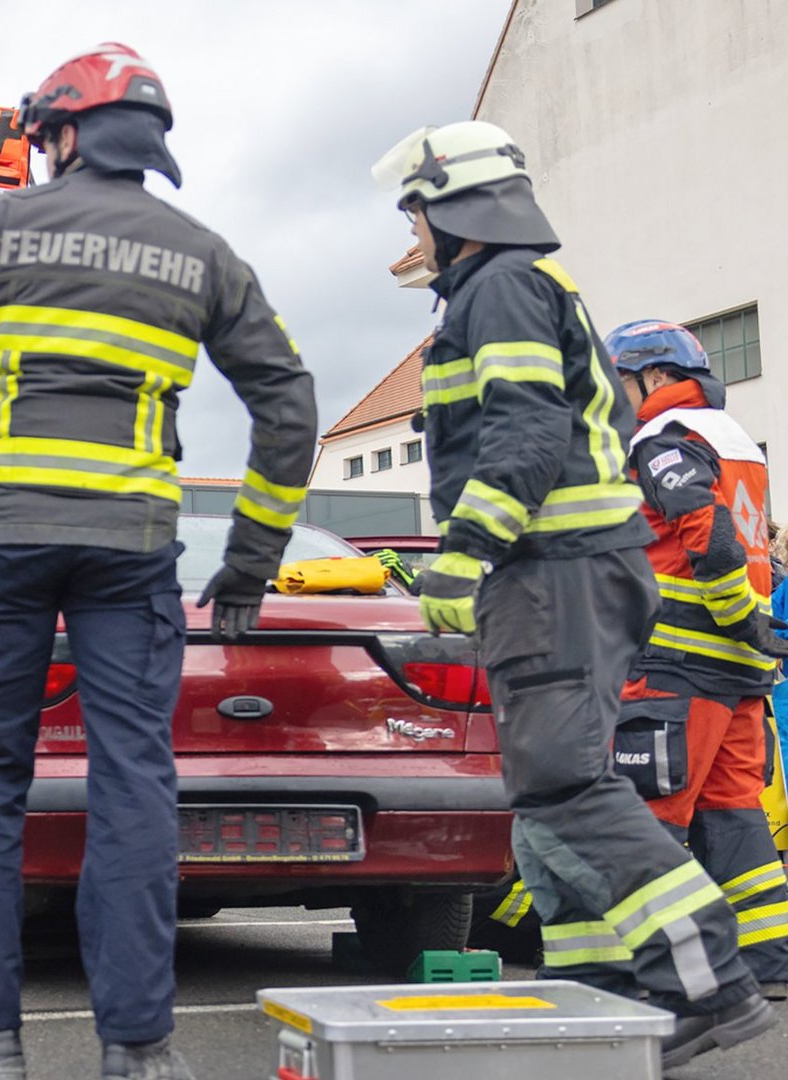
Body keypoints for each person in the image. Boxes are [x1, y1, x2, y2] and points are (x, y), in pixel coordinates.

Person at [0, 46, 316, 1080]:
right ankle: (140, 1052)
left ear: (64, 134)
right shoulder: (200, 250)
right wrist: (246, 565)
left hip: (7, 538)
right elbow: (288, 406)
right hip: (134, 551)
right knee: (132, 787)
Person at [375, 120, 774, 1066]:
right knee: (550, 798)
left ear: (456, 207)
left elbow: (525, 433)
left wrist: (464, 553)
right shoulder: (502, 287)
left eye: (416, 211)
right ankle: (606, 985)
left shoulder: (503, 286)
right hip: (564, 573)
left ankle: (704, 981)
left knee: (565, 782)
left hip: (554, 570)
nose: (410, 233)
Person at [602, 320, 788, 999]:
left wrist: (734, 612)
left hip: (678, 664)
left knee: (651, 816)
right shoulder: (733, 441)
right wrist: (750, 629)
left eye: (622, 381)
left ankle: (655, 971)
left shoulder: (663, 438)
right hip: (737, 670)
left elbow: (707, 536)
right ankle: (768, 964)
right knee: (735, 815)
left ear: (652, 376)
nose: (617, 397)